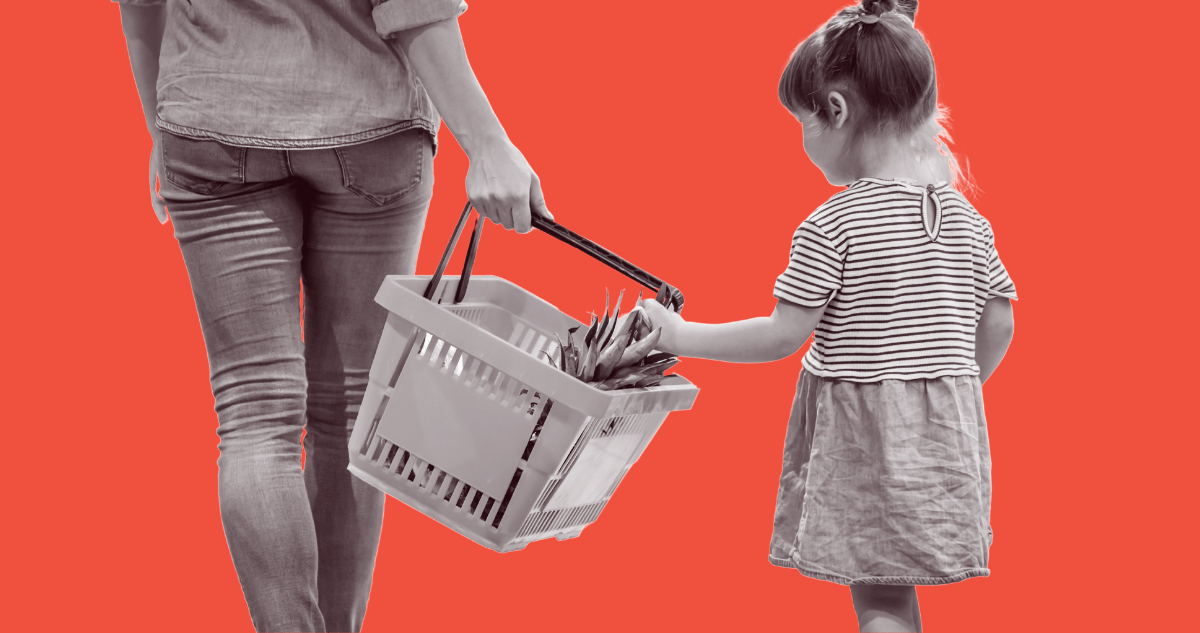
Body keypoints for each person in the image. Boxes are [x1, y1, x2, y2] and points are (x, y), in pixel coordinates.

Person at [114, 1, 551, 631]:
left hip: (211, 115)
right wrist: (486, 142)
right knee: (350, 411)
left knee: (253, 418)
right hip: (367, 122)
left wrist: (162, 125)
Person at [638, 1, 1016, 631]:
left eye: (802, 123)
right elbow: (999, 321)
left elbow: (783, 333)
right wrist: (954, 390)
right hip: (947, 435)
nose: (805, 141)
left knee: (878, 597)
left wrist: (680, 335)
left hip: (867, 438)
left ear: (835, 112)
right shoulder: (966, 220)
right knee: (895, 592)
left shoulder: (834, 222)